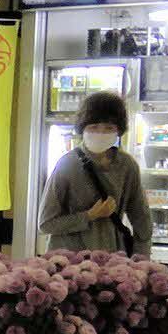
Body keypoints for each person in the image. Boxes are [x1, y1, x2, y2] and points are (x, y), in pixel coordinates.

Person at [41, 90, 150, 259]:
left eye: (109, 128)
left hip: (112, 262)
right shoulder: (67, 165)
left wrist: (142, 263)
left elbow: (142, 220)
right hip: (69, 264)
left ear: (119, 130)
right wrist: (89, 215)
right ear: (82, 128)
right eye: (94, 127)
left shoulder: (127, 166)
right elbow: (46, 224)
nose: (101, 133)